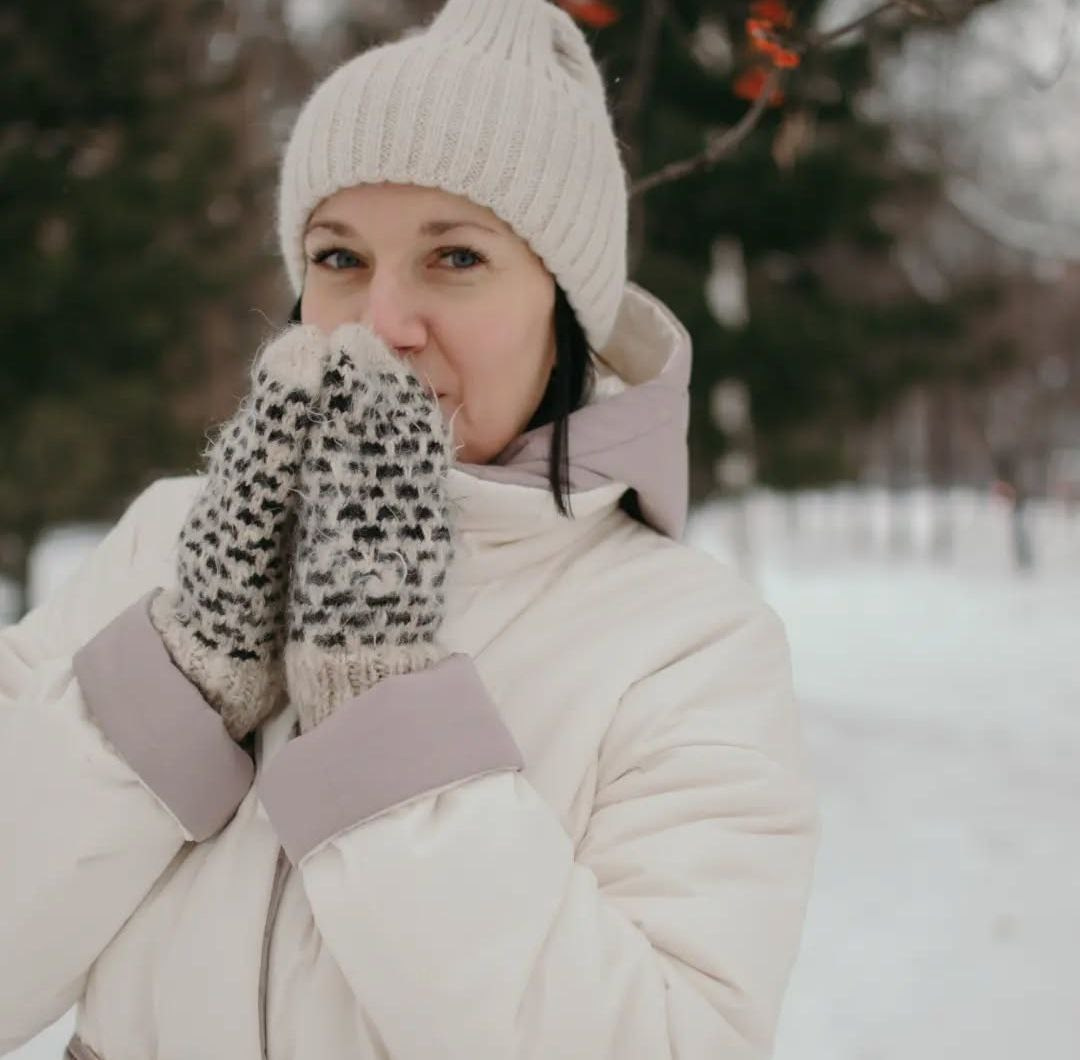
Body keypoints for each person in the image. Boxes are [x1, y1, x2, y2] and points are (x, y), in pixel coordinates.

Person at [0, 0, 819, 1057]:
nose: (382, 324)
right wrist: (182, 679)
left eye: (456, 258)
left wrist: (377, 710)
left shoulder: (687, 642)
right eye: (340, 258)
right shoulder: (172, 541)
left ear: (564, 303)